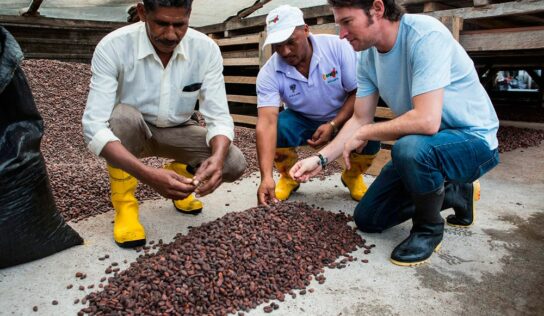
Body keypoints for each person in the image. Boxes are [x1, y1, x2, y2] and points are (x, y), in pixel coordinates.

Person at [291, 0, 499, 266]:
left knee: (409, 148)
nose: (341, 35)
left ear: (377, 9)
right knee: (369, 218)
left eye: (346, 22)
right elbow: (359, 118)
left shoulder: (425, 35)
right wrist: (319, 159)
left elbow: (427, 120)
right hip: (428, 147)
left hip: (473, 141)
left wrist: (369, 131)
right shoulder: (367, 57)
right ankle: (456, 192)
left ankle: (428, 229)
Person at [82, 0, 247, 248]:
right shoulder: (114, 46)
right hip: (132, 132)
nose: (171, 34)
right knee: (122, 119)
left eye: (179, 24)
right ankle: (125, 205)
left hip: (179, 129)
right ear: (142, 12)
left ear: (189, 15)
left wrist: (217, 157)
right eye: (161, 23)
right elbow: (94, 127)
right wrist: (149, 176)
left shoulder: (205, 50)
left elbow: (219, 117)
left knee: (233, 163)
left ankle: (181, 178)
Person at [255, 4, 379, 205]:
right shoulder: (269, 73)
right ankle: (288, 177)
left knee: (370, 133)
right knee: (278, 127)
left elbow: (357, 92)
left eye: (290, 42)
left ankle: (352, 176)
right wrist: (266, 177)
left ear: (305, 29)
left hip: (344, 115)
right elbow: (266, 123)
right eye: (277, 46)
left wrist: (334, 124)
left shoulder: (338, 48)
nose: (285, 52)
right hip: (301, 118)